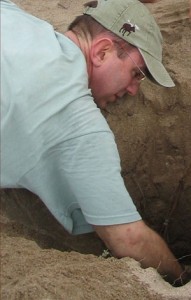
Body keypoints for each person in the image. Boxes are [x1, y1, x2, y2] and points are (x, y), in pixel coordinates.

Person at [1, 0, 190, 286]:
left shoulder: (14, 16)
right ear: (102, 51)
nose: (133, 89)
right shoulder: (76, 119)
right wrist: (180, 278)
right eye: (136, 73)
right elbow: (129, 239)